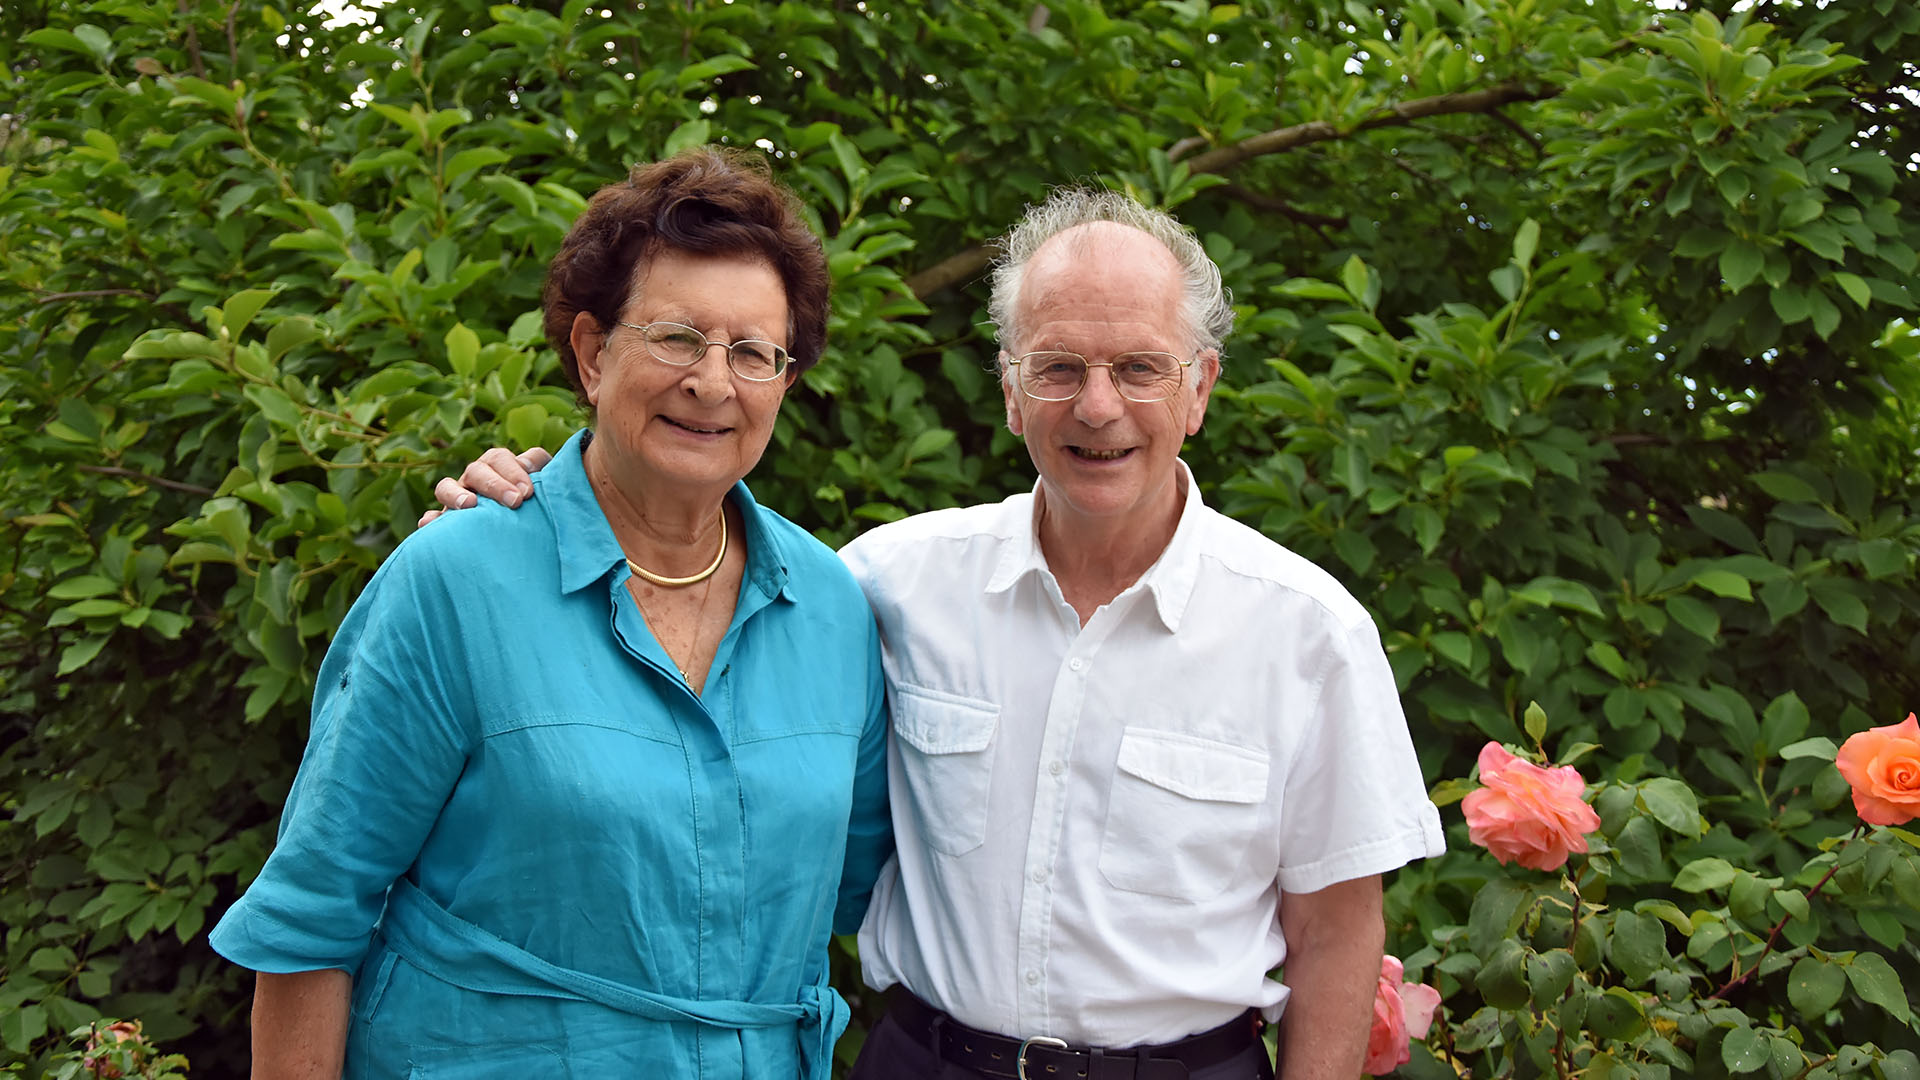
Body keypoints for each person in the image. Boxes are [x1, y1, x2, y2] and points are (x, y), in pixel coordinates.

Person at [433, 189, 1443, 1080]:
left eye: (1140, 367)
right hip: (926, 1057)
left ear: (1200, 389)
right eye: (1057, 367)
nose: (1098, 407)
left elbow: (1338, 934)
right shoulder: (883, 585)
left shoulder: (1309, 634)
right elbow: (680, 584)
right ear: (1009, 389)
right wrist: (518, 532)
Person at [209, 148, 891, 1080]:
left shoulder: (833, 610)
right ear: (591, 352)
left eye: (752, 353)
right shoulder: (457, 579)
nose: (713, 382)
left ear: (785, 382)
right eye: (676, 338)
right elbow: (313, 916)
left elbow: (840, 891)